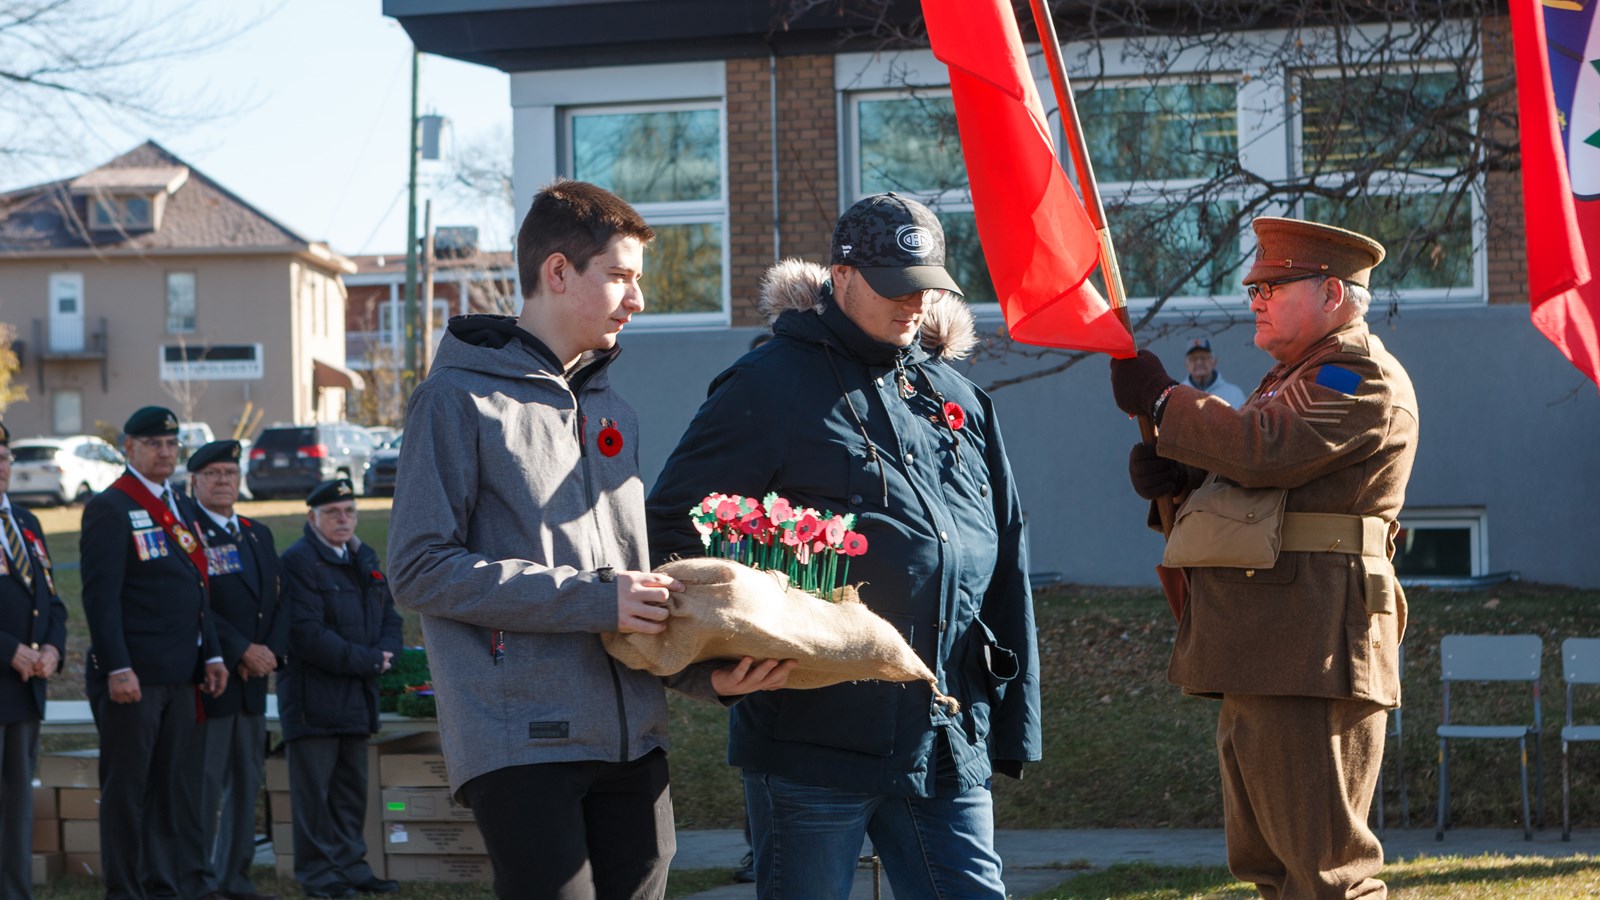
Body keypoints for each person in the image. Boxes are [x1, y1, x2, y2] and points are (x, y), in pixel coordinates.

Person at [387, 178, 792, 900]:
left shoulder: (613, 407)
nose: (638, 299)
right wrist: (595, 599)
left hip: (635, 740)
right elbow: (419, 568)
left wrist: (702, 676)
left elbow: (632, 588)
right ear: (558, 271)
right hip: (520, 739)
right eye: (621, 276)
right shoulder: (454, 400)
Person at [645, 192, 1042, 899]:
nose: (914, 303)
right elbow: (674, 528)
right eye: (895, 285)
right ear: (842, 276)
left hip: (941, 736)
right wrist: (713, 668)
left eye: (927, 287)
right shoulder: (767, 386)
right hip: (810, 745)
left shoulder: (958, 401)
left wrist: (1012, 724)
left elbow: (1006, 558)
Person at [1109, 217, 1417, 898]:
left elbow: (1266, 449)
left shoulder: (1353, 371)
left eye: (1273, 286)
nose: (1256, 298)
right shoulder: (1290, 376)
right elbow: (1256, 483)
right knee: (1271, 872)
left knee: (1326, 875)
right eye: (1253, 287)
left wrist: (1165, 399)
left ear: (1332, 293)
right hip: (1268, 647)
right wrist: (1182, 479)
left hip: (1312, 649)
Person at [81, 405, 228, 900]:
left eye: (171, 443)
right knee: (128, 791)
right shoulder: (111, 507)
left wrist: (211, 654)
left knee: (169, 789)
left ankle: (161, 886)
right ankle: (125, 890)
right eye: (153, 444)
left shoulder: (178, 503)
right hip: (135, 678)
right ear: (129, 448)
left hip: (181, 673)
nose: (165, 452)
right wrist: (118, 667)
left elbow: (197, 585)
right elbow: (101, 599)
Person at [278, 478, 401, 898]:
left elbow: (390, 618)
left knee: (350, 792)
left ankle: (352, 868)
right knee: (314, 797)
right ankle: (319, 876)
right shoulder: (297, 562)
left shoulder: (363, 557)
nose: (343, 519)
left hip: (356, 697)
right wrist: (370, 661)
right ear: (312, 518)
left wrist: (387, 652)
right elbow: (307, 635)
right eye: (332, 512)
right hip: (313, 699)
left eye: (349, 511)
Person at [182, 440, 286, 900]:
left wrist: (269, 652)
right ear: (194, 482)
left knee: (246, 782)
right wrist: (241, 649)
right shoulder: (188, 533)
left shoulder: (256, 532)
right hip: (213, 676)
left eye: (230, 473)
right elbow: (195, 603)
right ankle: (199, 880)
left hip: (253, 680)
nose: (223, 481)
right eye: (213, 474)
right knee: (205, 785)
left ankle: (235, 878)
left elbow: (279, 601)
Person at [0, 420, 67, 900]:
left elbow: (53, 602)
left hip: (25, 689)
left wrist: (53, 649)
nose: (1, 466)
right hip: (6, 670)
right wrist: (8, 650)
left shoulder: (26, 523)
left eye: (4, 457)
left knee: (18, 804)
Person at [1181, 338, 1247, 407]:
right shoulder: (1178, 395)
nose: (1199, 362)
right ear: (1186, 365)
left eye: (1204, 358)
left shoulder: (1234, 394)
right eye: (1193, 359)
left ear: (1214, 362)